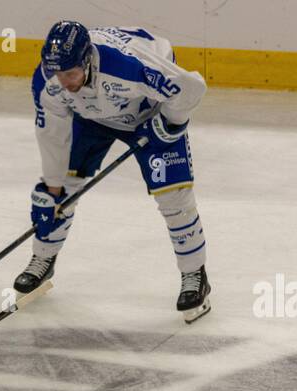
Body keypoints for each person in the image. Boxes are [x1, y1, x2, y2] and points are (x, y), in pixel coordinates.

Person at [17, 21, 211, 322]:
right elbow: (53, 135)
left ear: (86, 61)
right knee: (64, 189)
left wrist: (170, 123)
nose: (64, 82)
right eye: (58, 73)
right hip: (90, 118)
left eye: (70, 74)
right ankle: (42, 259)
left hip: (147, 115)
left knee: (174, 197)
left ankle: (195, 275)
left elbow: (192, 87)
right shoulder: (49, 79)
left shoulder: (128, 66)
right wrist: (52, 190)